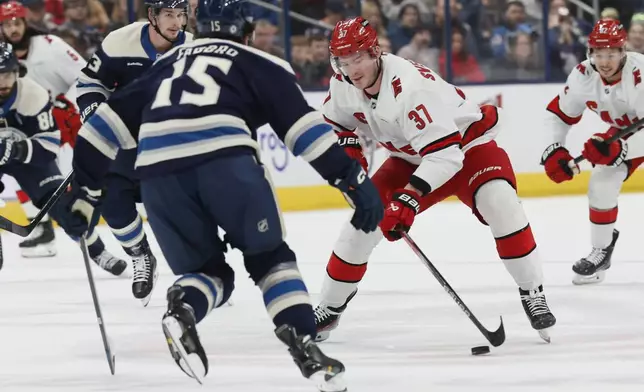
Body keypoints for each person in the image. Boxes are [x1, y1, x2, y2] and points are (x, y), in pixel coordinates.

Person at [57, 0, 384, 389]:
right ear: (247, 32)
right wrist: (351, 180)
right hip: (226, 164)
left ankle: (183, 308)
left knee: (206, 272)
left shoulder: (163, 66)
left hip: (158, 176)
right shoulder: (261, 63)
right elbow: (303, 131)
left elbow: (99, 128)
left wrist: (84, 190)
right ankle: (305, 348)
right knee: (270, 261)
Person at [314, 17, 557, 344]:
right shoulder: (343, 84)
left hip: (467, 150)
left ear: (375, 53)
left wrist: (408, 199)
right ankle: (329, 308)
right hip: (409, 157)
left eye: (358, 58)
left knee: (501, 203)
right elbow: (336, 121)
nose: (351, 68)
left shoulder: (411, 88)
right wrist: (350, 151)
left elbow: (446, 156)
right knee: (362, 224)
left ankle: (533, 291)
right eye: (343, 60)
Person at [75, 0, 193, 305]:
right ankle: (141, 255)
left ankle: (203, 269)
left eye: (181, 14)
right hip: (128, 141)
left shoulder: (196, 48)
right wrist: (94, 112)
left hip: (174, 146)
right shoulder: (119, 42)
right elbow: (90, 83)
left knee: (186, 210)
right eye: (169, 14)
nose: (176, 22)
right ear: (152, 15)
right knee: (112, 197)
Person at [0, 1, 125, 274]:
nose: (3, 83)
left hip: (38, 141)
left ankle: (97, 251)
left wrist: (15, 150)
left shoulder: (34, 90)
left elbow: (46, 148)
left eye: (7, 74)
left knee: (63, 205)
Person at [541, 19, 644, 285]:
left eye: (611, 53)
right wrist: (555, 148)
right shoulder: (582, 76)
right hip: (628, 133)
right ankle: (601, 251)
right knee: (600, 184)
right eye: (599, 53)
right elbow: (559, 115)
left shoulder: (640, 73)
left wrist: (619, 147)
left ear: (623, 51)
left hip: (631, 135)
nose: (605, 61)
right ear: (590, 53)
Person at [0, 42, 86, 255]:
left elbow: (81, 74)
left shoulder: (47, 46)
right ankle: (42, 228)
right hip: (25, 129)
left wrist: (68, 104)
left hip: (45, 125)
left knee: (47, 188)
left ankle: (88, 243)